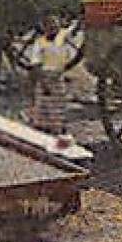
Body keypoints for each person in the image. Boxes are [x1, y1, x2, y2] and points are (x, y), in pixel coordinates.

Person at [25, 15, 75, 146]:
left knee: (59, 108)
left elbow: (72, 29)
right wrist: (43, 83)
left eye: (56, 27)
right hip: (45, 77)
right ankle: (41, 136)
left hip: (58, 77)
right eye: (51, 27)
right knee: (43, 107)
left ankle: (58, 134)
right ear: (45, 29)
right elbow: (35, 65)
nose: (54, 29)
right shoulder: (40, 43)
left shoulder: (61, 39)